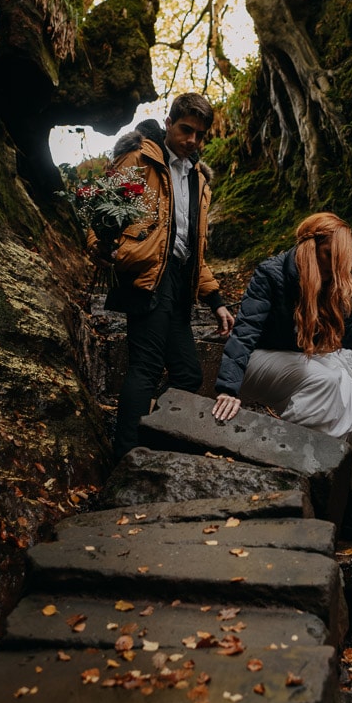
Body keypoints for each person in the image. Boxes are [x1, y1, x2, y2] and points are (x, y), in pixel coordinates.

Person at [212, 212, 352, 541]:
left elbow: (345, 338)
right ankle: (292, 471)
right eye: (330, 255)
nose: (334, 265)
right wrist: (227, 388)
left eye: (340, 258)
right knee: (328, 379)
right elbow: (244, 334)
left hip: (298, 362)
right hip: (257, 364)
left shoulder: (331, 283)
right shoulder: (271, 273)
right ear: (311, 246)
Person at [89, 92, 234, 462]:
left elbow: (194, 249)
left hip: (180, 284)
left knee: (187, 373)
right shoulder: (140, 158)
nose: (192, 140)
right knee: (146, 366)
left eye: (200, 135)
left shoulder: (199, 179)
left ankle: (152, 443)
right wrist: (104, 247)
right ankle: (126, 457)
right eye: (185, 129)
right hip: (147, 275)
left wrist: (216, 301)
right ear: (168, 123)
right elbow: (102, 207)